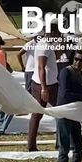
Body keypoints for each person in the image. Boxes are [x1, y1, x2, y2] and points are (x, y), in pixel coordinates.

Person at [28, 23, 60, 152]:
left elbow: (52, 61)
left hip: (48, 83)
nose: (58, 36)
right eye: (57, 33)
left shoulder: (46, 45)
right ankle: (32, 145)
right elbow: (41, 67)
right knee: (61, 112)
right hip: (47, 85)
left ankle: (32, 145)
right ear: (51, 32)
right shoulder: (44, 46)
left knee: (39, 115)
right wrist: (44, 88)